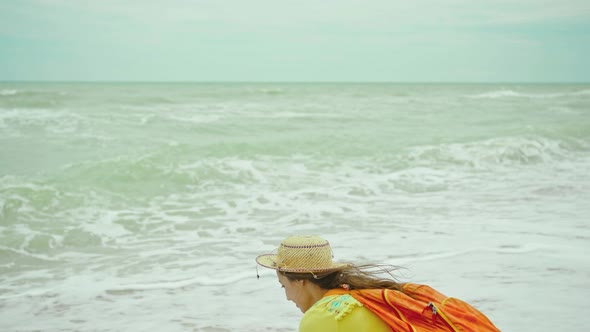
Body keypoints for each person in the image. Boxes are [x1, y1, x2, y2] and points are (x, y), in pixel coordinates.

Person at [255, 235, 499, 332]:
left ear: (299, 282)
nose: (287, 297)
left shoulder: (322, 318)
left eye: (283, 286)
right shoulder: (361, 297)